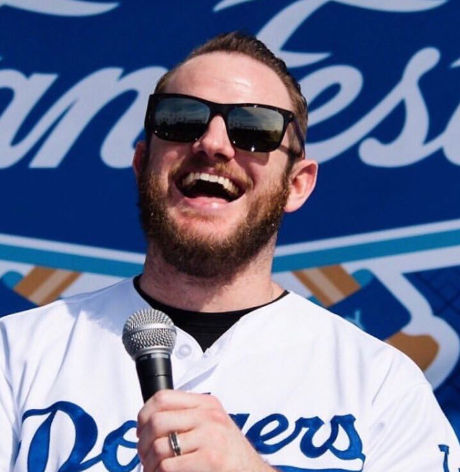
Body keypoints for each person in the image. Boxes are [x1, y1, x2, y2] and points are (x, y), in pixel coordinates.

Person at [1, 31, 459, 472]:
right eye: (181, 119)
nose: (213, 144)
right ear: (142, 164)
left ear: (297, 185)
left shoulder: (381, 384)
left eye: (253, 128)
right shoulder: (17, 354)